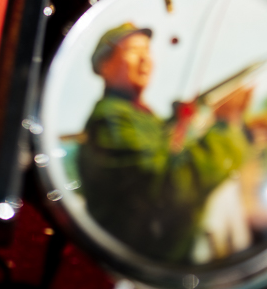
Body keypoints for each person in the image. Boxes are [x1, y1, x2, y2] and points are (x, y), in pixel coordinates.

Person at [77, 23, 252, 262]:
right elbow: (167, 190)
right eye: (133, 50)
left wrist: (178, 121)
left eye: (147, 51)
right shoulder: (110, 121)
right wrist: (225, 124)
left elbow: (159, 149)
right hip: (158, 259)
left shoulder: (137, 116)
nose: (145, 60)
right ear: (104, 65)